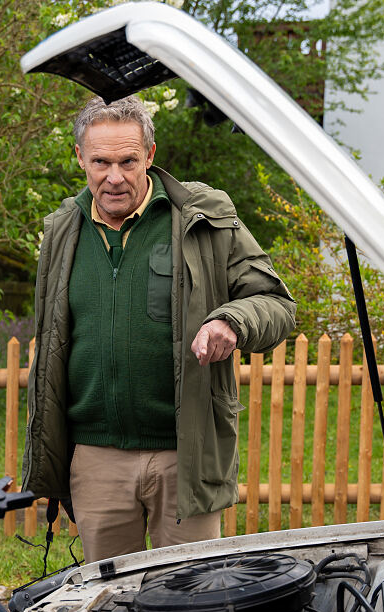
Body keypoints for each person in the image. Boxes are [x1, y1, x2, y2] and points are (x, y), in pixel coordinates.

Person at [22, 96, 296, 562]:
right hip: (96, 457)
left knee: (189, 601)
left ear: (149, 155)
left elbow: (276, 304)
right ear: (80, 159)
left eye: (128, 161)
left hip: (183, 454)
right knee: (109, 608)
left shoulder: (202, 217)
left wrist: (232, 320)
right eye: (101, 162)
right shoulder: (62, 231)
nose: (114, 177)